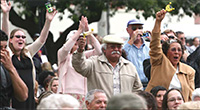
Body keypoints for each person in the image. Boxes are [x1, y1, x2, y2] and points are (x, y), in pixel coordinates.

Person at [6, 5, 57, 110]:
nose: (21, 39)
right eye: (18, 37)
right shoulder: (7, 53)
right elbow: (5, 33)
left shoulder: (28, 52)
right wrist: (6, 13)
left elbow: (42, 40)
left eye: (23, 37)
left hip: (29, 96)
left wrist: (48, 21)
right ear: (10, 40)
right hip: (14, 96)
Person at [145, 9, 195, 102]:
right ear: (166, 52)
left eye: (179, 50)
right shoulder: (159, 61)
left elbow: (190, 96)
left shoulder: (189, 71)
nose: (177, 52)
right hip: (157, 106)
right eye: (173, 50)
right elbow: (155, 44)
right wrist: (158, 22)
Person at [72, 34, 143, 99]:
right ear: (104, 50)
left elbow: (137, 89)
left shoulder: (129, 66)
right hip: (101, 106)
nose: (116, 49)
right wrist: (80, 51)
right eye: (112, 47)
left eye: (119, 47)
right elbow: (79, 67)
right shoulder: (94, 62)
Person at [57, 16, 102, 108]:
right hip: (67, 93)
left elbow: (99, 51)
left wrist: (88, 32)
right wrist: (79, 31)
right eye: (76, 41)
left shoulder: (85, 56)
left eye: (81, 40)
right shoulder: (63, 56)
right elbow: (66, 48)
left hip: (84, 94)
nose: (78, 42)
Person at [0, 29, 28, 109]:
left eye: (5, 47)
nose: (3, 51)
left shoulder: (6, 67)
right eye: (0, 47)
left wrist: (11, 68)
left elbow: (23, 95)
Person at [123, 19, 150, 88]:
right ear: (127, 30)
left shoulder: (149, 46)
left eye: (140, 28)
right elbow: (121, 54)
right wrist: (132, 39)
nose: (138, 31)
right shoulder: (124, 46)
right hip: (132, 85)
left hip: (148, 84)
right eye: (134, 28)